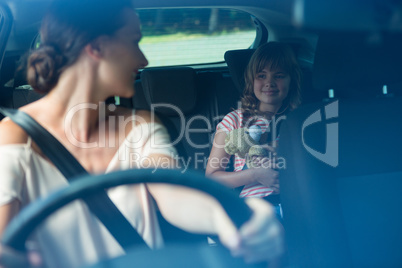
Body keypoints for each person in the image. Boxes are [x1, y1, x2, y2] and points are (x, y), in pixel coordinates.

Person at [0, 1, 283, 267]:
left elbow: (176, 197)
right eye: (134, 42)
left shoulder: (142, 126)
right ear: (97, 47)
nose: (143, 59)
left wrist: (229, 221)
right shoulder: (12, 138)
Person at [206, 42, 301, 204]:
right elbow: (212, 178)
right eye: (261, 75)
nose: (269, 82)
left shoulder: (300, 120)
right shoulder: (235, 120)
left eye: (278, 75)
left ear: (291, 80)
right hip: (255, 205)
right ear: (251, 80)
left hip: (296, 201)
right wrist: (255, 174)